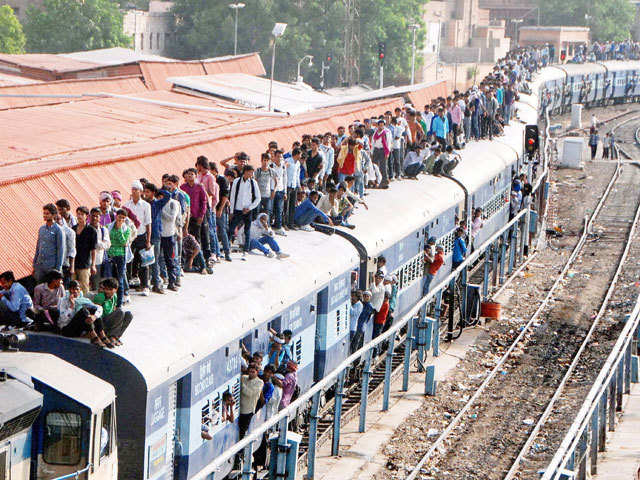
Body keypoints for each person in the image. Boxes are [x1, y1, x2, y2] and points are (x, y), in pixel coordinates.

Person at [57, 280, 108, 345]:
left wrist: (94, 316)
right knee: (83, 311)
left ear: (80, 290)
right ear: (69, 290)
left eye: (77, 289)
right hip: (66, 329)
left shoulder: (83, 299)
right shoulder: (63, 300)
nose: (75, 291)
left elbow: (99, 308)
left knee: (94, 311)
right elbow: (63, 319)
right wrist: (71, 307)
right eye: (72, 289)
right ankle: (94, 336)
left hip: (79, 329)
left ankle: (102, 335)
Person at [125, 180, 152, 296]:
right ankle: (127, 285)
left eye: (137, 190)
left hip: (141, 236)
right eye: (133, 189)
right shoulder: (126, 206)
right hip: (130, 237)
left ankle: (145, 285)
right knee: (128, 261)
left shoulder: (146, 206)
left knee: (144, 262)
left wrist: (148, 240)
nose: (134, 191)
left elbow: (148, 224)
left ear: (141, 192)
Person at [229, 165, 261, 256]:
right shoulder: (237, 181)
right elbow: (232, 196)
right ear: (245, 172)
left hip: (247, 210)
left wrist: (250, 208)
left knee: (247, 230)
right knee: (231, 229)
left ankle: (246, 250)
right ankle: (228, 247)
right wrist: (231, 211)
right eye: (250, 172)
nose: (251, 174)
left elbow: (258, 198)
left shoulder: (253, 183)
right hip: (238, 210)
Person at [92, 277, 132, 346]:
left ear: (115, 290)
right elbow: (95, 313)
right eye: (106, 289)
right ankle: (112, 336)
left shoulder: (114, 297)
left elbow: (113, 310)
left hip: (109, 322)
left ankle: (115, 336)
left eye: (110, 289)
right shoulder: (101, 297)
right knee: (120, 312)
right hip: (101, 324)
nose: (107, 291)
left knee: (129, 315)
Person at [33, 203, 65, 283]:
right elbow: (38, 247)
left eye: (47, 214)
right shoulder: (42, 229)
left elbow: (60, 250)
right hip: (40, 266)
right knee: (40, 288)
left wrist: (58, 269)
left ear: (53, 215)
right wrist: (35, 264)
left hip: (51, 266)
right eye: (44, 213)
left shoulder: (58, 230)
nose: (45, 215)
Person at [107, 209, 132, 307]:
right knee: (110, 279)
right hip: (110, 255)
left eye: (123, 218)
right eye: (119, 217)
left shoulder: (126, 229)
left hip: (120, 256)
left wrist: (119, 229)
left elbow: (124, 242)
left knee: (120, 280)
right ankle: (110, 302)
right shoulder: (109, 227)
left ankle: (119, 303)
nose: (120, 219)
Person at [239, 364, 264, 438]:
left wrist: (241, 384)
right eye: (250, 371)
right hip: (239, 409)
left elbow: (249, 393)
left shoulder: (259, 382)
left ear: (257, 372)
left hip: (247, 411)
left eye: (253, 372)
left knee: (242, 432)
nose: (251, 373)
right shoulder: (243, 378)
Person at [255, 152, 277, 220]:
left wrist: (273, 191)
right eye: (264, 160)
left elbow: (276, 182)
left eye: (268, 160)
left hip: (267, 196)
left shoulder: (271, 171)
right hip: (258, 196)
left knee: (267, 212)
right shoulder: (257, 171)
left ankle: (267, 227)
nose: (266, 162)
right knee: (257, 212)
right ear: (261, 161)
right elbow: (254, 182)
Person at [270, 150, 288, 236]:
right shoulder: (270, 166)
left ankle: (278, 227)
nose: (280, 158)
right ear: (274, 157)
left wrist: (285, 192)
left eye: (281, 157)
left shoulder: (283, 166)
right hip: (271, 190)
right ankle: (268, 226)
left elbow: (285, 179)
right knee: (270, 209)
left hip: (280, 190)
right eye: (278, 156)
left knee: (279, 209)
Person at [372, 119, 391, 188]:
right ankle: (375, 182)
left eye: (382, 125)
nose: (381, 127)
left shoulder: (386, 133)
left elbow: (388, 143)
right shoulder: (375, 133)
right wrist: (372, 151)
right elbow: (373, 143)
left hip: (383, 150)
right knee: (374, 166)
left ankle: (384, 182)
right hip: (376, 150)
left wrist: (387, 153)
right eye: (379, 125)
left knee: (383, 166)